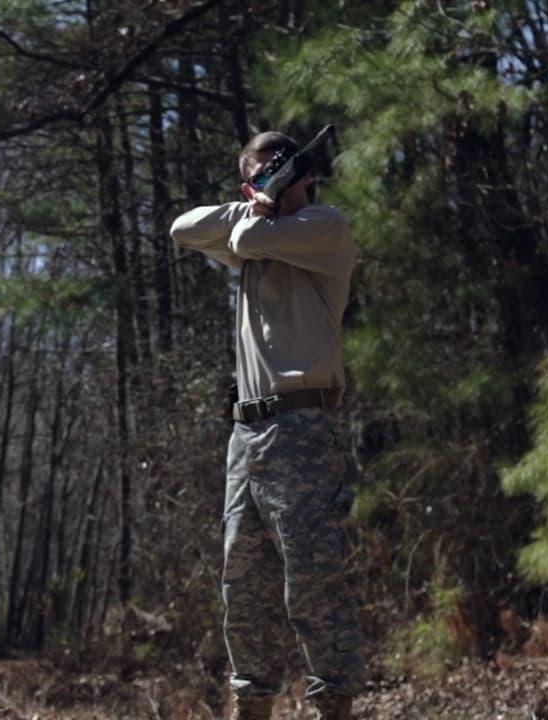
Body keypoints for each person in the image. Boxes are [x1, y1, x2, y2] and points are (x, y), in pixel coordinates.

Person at [170, 131, 365, 720]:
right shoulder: (249, 233)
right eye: (265, 173)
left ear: (307, 175)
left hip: (304, 426)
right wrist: (254, 199)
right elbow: (183, 228)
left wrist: (267, 206)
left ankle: (333, 705)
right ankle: (251, 704)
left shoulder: (323, 228)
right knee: (243, 578)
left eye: (288, 171)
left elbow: (250, 237)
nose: (284, 182)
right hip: (246, 433)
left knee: (313, 576)